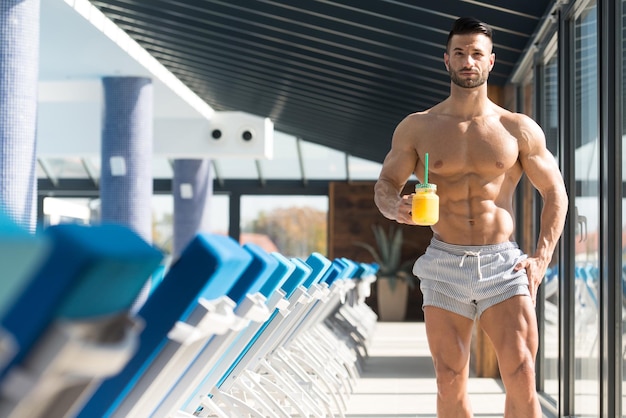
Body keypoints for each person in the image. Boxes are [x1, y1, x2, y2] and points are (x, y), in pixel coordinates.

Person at [374, 16, 568, 418]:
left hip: (503, 264)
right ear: (446, 60)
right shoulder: (417, 128)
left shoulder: (517, 128)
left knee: (520, 372)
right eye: (459, 53)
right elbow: (385, 185)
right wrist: (395, 206)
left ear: (491, 61)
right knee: (448, 378)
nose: (468, 61)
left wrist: (542, 258)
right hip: (445, 263)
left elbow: (555, 193)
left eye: (476, 53)